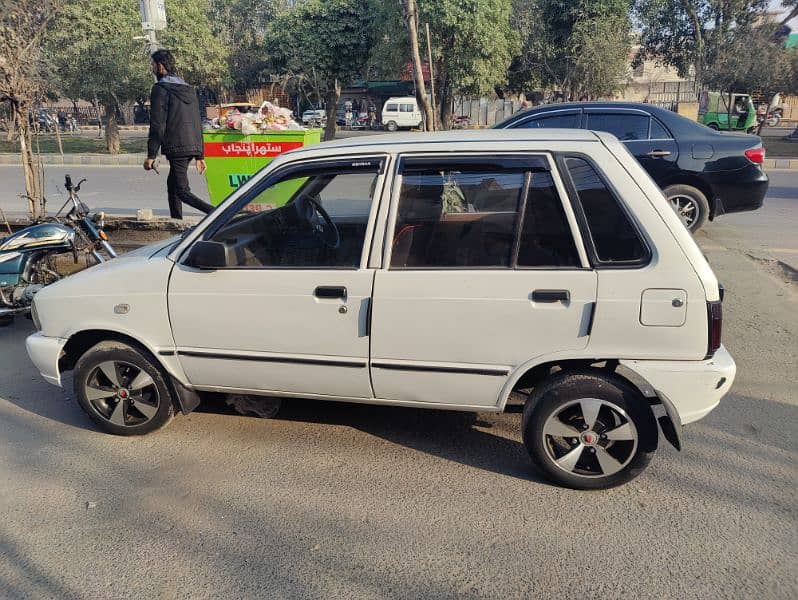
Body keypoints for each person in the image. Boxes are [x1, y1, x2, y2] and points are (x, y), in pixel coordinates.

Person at [143, 49, 213, 219]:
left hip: (177, 146)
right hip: (191, 145)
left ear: (160, 66)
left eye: (153, 65)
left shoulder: (160, 89)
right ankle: (177, 224)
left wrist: (151, 154)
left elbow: (158, 124)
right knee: (172, 185)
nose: (152, 68)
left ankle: (218, 215)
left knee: (182, 191)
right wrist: (199, 154)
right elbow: (197, 121)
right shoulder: (188, 89)